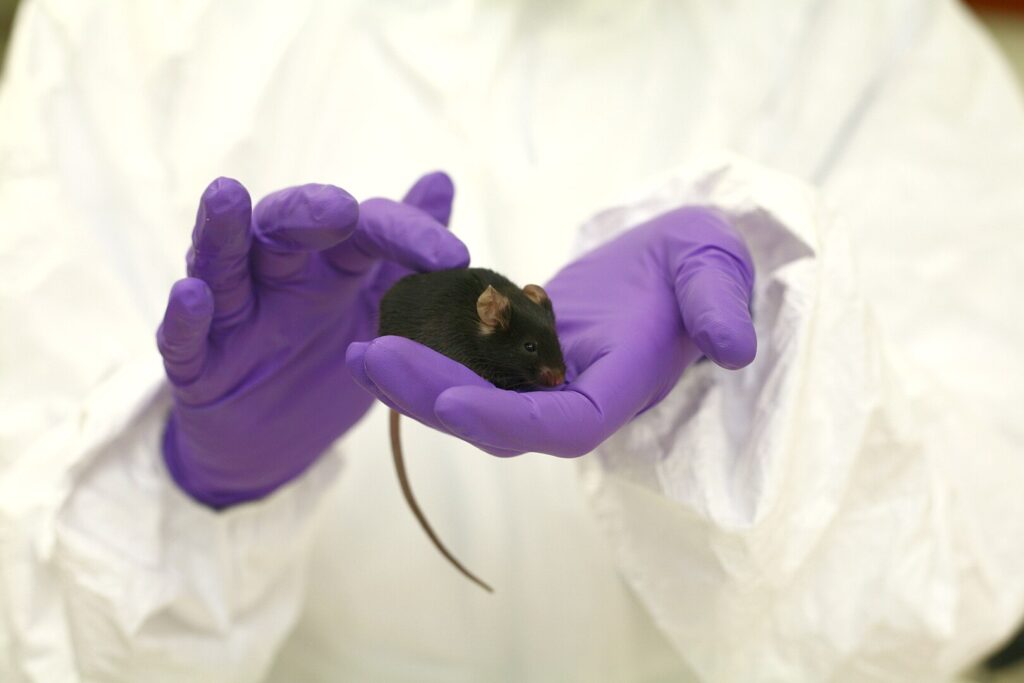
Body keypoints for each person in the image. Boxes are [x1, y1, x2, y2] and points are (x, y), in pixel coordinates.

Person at [1, 0, 1022, 681]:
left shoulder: (870, 35)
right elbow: (35, 632)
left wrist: (748, 399)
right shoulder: (129, 28)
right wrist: (188, 488)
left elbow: (958, 576)